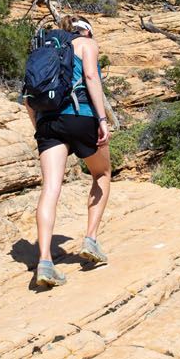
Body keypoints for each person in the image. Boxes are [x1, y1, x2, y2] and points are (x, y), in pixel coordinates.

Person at [24, 16, 111, 287]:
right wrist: (102, 119)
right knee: (102, 174)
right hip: (81, 115)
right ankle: (91, 240)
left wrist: (40, 126)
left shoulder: (43, 52)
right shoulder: (86, 43)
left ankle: (46, 262)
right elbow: (90, 76)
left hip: (48, 121)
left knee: (51, 188)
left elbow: (28, 99)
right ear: (85, 31)